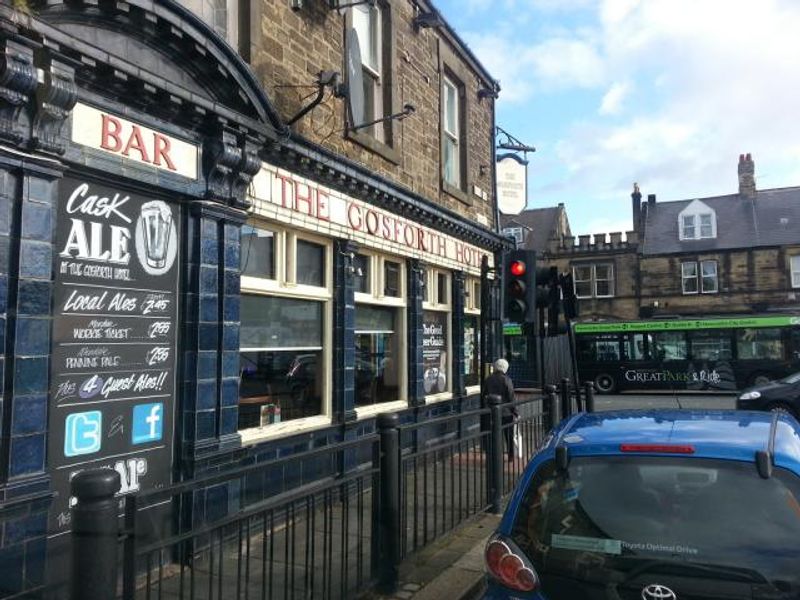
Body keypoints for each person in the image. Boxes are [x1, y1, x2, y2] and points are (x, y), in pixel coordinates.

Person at [484, 358, 519, 461]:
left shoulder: (488, 379)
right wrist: (515, 411)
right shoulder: (507, 380)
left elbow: (484, 394)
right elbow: (511, 397)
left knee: (494, 435)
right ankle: (511, 456)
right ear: (505, 368)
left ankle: (494, 456)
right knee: (509, 435)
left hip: (492, 412)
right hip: (506, 412)